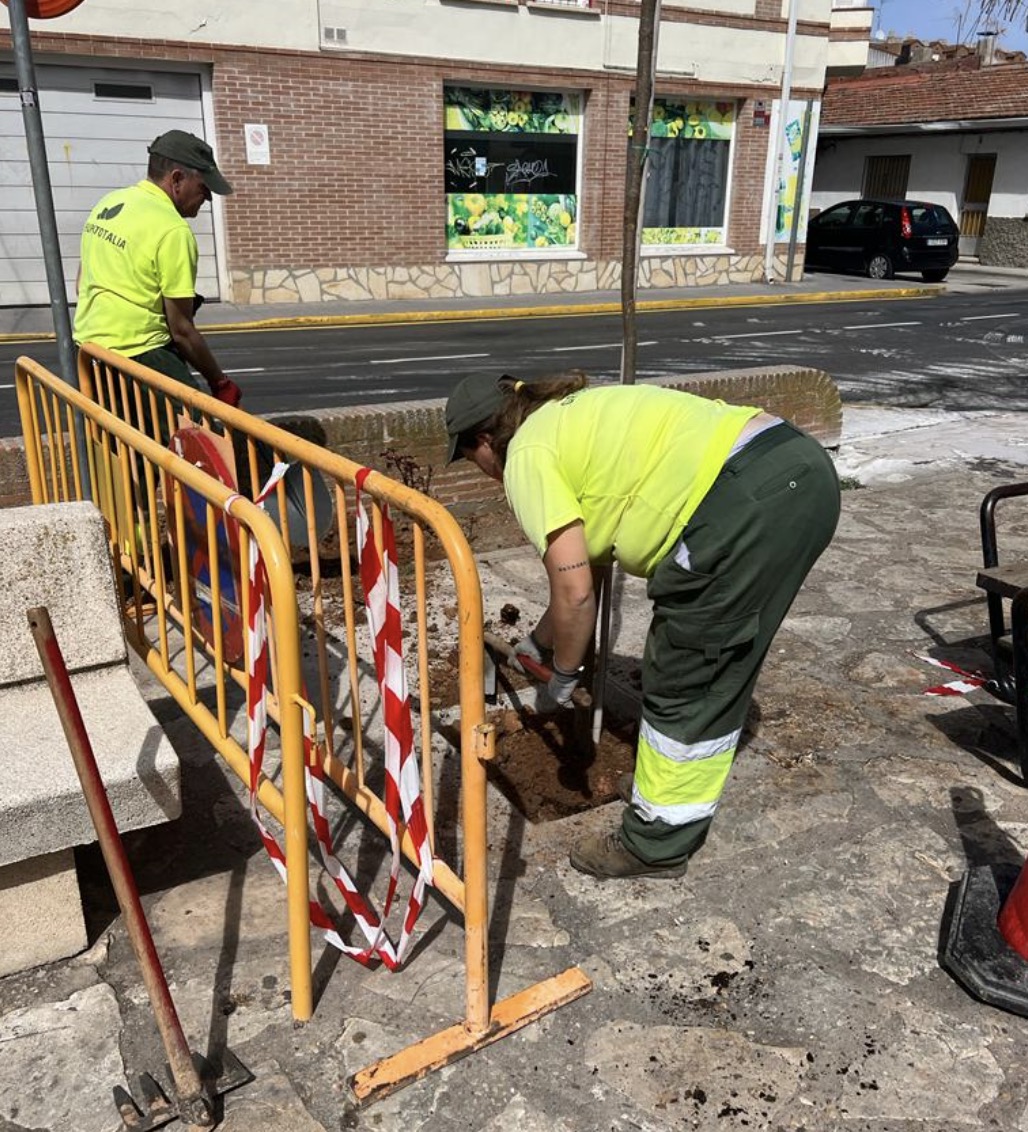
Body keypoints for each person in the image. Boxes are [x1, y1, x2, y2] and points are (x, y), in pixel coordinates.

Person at [445, 372, 840, 880]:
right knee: (721, 658)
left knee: (685, 673)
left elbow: (577, 593)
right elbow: (585, 570)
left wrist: (563, 675)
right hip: (796, 470)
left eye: (469, 457)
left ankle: (656, 844)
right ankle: (672, 792)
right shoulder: (569, 414)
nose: (479, 471)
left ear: (483, 440)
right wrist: (542, 644)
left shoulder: (524, 456)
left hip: (741, 505)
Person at [73, 129, 241, 410]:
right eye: (203, 189)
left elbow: (82, 282)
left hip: (91, 354)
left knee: (127, 447)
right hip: (141, 356)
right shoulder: (173, 230)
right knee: (198, 443)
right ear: (177, 179)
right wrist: (220, 382)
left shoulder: (110, 203)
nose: (206, 199)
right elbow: (182, 331)